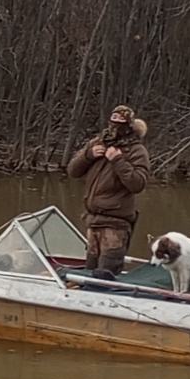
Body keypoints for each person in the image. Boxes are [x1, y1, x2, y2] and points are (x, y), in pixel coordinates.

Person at [69, 104, 152, 277]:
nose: (116, 124)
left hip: (116, 224)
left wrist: (118, 160)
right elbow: (72, 171)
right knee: (90, 272)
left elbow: (138, 184)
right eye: (114, 119)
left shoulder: (136, 150)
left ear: (129, 124)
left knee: (107, 273)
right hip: (92, 220)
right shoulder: (97, 142)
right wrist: (88, 155)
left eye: (121, 120)